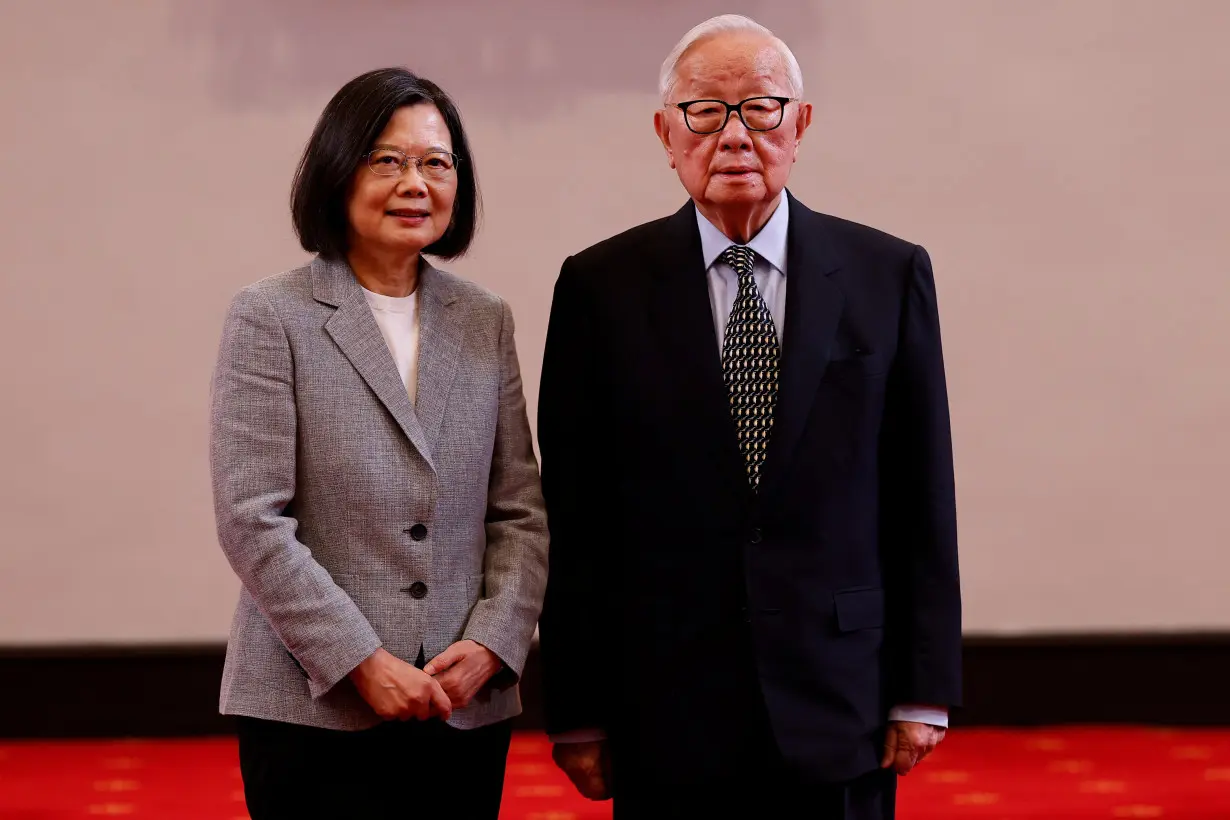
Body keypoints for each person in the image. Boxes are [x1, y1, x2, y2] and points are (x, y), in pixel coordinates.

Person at [536, 15, 961, 819]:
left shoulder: (886, 273)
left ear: (800, 125)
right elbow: (577, 514)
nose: (734, 135)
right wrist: (578, 705)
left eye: (760, 108)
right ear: (666, 134)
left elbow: (921, 491)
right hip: (664, 704)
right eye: (705, 111)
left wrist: (924, 688)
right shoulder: (600, 288)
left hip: (843, 695)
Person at [209, 67, 548, 819]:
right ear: (337, 170)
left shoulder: (483, 318)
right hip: (313, 704)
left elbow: (519, 508)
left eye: (437, 162)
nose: (415, 182)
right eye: (386, 160)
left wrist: (494, 643)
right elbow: (251, 518)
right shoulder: (272, 315)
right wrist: (360, 661)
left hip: (462, 703)